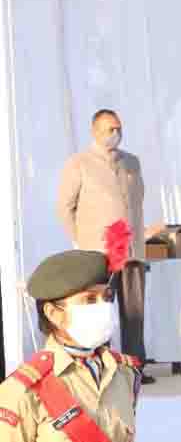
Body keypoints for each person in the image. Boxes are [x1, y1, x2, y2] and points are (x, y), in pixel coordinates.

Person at [56, 109, 156, 384]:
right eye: (109, 129)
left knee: (134, 310)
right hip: (100, 249)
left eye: (118, 128)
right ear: (95, 131)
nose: (115, 134)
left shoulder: (132, 162)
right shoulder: (79, 163)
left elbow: (138, 200)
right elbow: (65, 207)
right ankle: (103, 365)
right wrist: (81, 240)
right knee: (101, 309)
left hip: (132, 249)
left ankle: (135, 366)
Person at [0, 250, 142, 441]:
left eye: (106, 297)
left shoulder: (125, 373)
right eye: (90, 299)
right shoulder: (23, 389)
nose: (104, 307)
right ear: (53, 313)